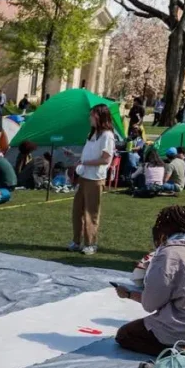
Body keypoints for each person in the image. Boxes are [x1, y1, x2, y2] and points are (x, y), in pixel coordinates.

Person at [114, 205, 185, 367]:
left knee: (125, 335)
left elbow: (150, 304)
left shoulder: (169, 254)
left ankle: (178, 350)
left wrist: (130, 294)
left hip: (184, 325)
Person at [65, 103, 116, 255]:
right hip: (84, 176)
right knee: (77, 211)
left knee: (91, 212)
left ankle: (91, 243)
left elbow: (106, 159)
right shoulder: (93, 134)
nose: (90, 118)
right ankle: (76, 241)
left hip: (95, 179)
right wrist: (75, 156)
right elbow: (89, 154)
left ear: (99, 116)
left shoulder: (107, 135)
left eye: (92, 115)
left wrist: (85, 162)